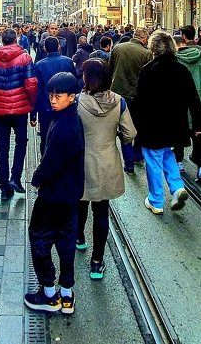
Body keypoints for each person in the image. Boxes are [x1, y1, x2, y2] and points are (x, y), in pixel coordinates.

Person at [23, 72, 84, 315]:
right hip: (70, 195)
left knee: (39, 238)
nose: (53, 99)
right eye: (50, 95)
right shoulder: (71, 118)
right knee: (66, 241)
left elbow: (52, 162)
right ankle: (67, 292)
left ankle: (49, 293)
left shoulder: (64, 126)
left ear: (72, 97)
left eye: (58, 96)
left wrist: (37, 179)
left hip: (53, 196)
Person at [75, 59, 135, 280]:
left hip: (82, 160)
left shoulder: (77, 101)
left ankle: (79, 238)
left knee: (80, 202)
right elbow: (130, 133)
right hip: (107, 161)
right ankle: (97, 262)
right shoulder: (119, 102)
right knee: (101, 211)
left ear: (86, 77)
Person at [135, 31, 201, 213]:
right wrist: (198, 125)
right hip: (175, 125)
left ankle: (156, 200)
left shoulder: (148, 70)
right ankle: (176, 187)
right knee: (168, 155)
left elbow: (140, 100)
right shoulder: (182, 69)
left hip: (152, 125)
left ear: (153, 49)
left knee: (153, 160)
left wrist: (133, 126)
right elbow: (193, 98)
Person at [0, 29, 38, 200]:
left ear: (1, 41)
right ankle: (15, 177)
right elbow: (31, 84)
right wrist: (31, 103)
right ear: (15, 39)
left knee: (2, 149)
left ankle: (5, 187)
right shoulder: (25, 58)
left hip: (0, 111)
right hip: (20, 109)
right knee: (21, 143)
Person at [175, 32, 201, 184]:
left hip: (180, 103)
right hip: (200, 102)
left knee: (179, 133)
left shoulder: (175, 59)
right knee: (198, 135)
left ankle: (179, 162)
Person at [109, 28, 151, 173]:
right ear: (144, 39)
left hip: (119, 94)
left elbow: (110, 70)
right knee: (138, 126)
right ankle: (138, 155)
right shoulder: (146, 53)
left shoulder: (117, 48)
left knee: (123, 128)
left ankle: (129, 163)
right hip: (138, 95)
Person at [31, 37, 79, 153]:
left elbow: (37, 90)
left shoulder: (39, 65)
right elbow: (74, 84)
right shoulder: (68, 62)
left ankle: (45, 161)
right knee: (65, 135)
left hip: (46, 106)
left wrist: (33, 114)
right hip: (66, 105)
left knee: (46, 136)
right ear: (59, 47)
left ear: (44, 48)